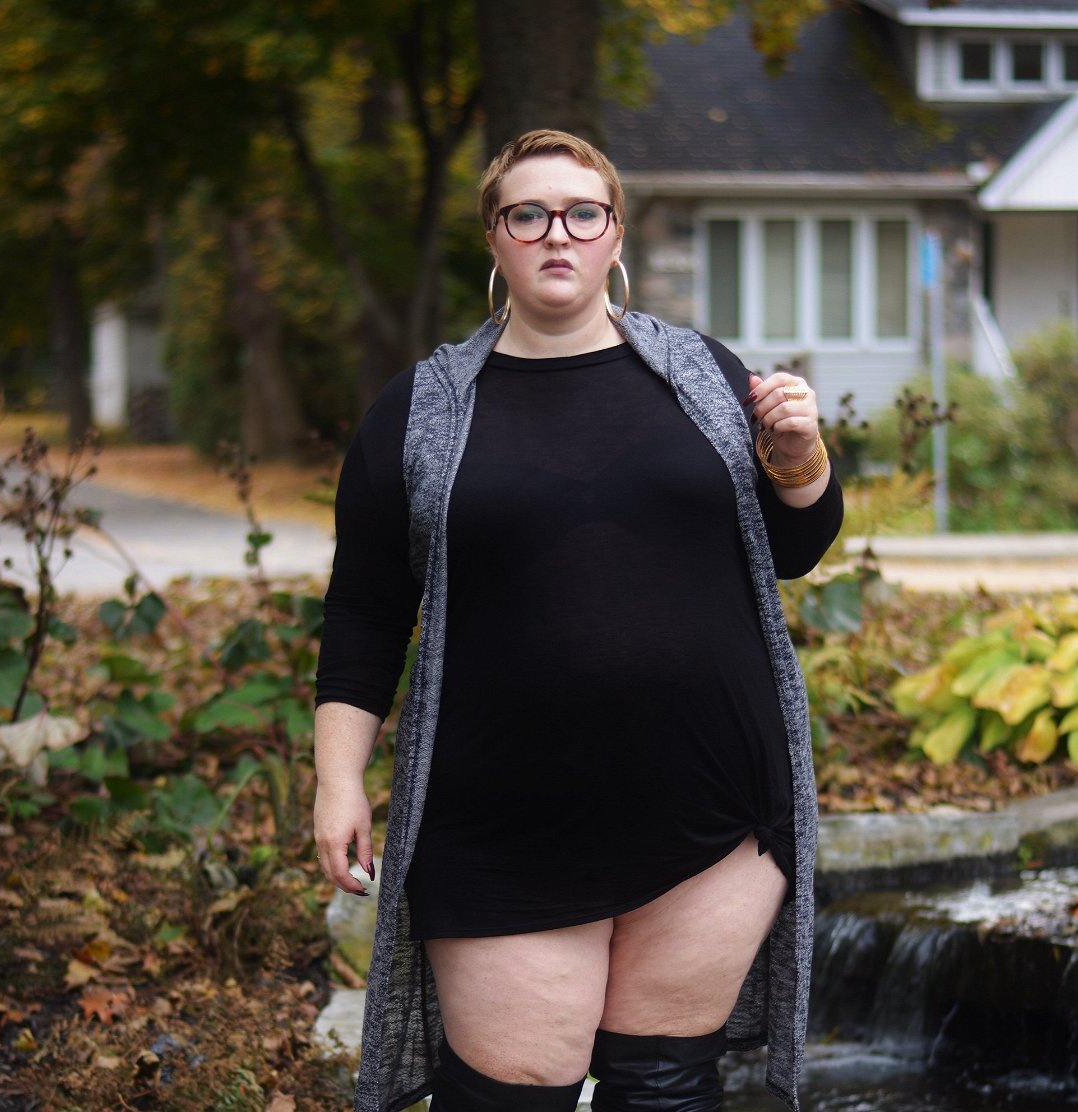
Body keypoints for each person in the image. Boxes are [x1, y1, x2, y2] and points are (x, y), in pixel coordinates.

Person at [314, 129, 843, 1112]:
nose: (556, 233)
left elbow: (794, 545)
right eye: (528, 214)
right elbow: (364, 610)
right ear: (493, 237)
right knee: (511, 1094)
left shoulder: (704, 377)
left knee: (665, 1088)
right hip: (499, 821)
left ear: (614, 235)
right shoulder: (419, 408)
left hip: (712, 811)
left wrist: (799, 455)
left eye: (581, 212)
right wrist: (337, 777)